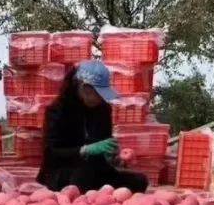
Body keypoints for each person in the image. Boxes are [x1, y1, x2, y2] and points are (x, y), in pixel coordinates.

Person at [36, 60, 149, 193]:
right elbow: (51, 153)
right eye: (99, 94)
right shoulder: (57, 111)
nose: (102, 99)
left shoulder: (103, 110)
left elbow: (104, 146)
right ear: (85, 88)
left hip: (96, 171)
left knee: (139, 181)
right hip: (63, 172)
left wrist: (115, 158)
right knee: (84, 174)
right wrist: (84, 150)